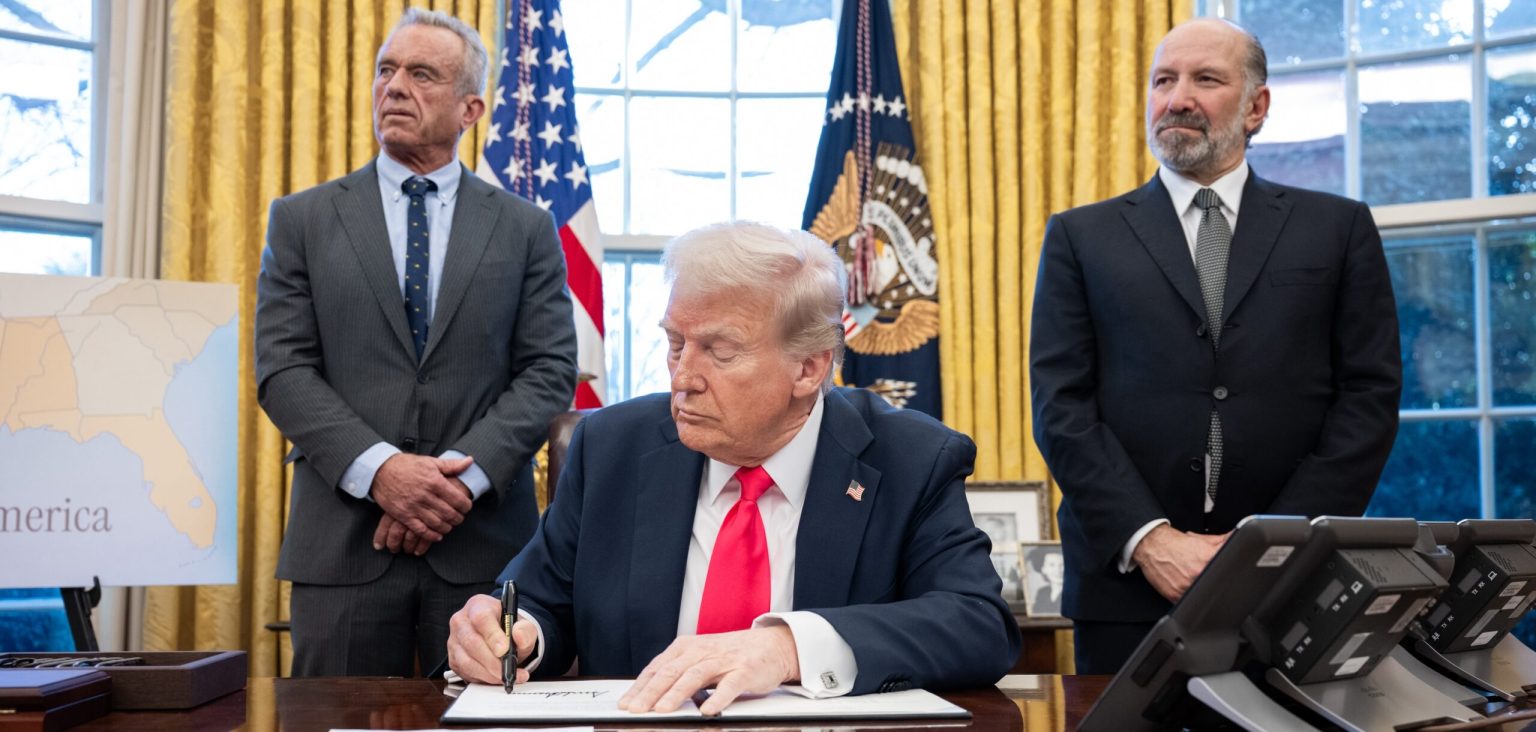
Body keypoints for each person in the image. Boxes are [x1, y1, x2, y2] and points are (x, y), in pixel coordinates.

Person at [445, 221, 1021, 714]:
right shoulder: (612, 448)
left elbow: (977, 625)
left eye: (719, 352)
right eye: (676, 343)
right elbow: (540, 603)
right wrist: (510, 634)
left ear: (808, 368)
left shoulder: (910, 459)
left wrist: (788, 647)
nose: (682, 378)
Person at [1029, 18, 1401, 674]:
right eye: (1163, 81)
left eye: (1205, 79)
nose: (1177, 99)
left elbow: (1367, 399)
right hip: (1127, 589)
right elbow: (1062, 407)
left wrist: (1276, 547)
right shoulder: (1080, 238)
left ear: (1256, 106)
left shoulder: (1337, 229)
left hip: (1296, 589)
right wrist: (1151, 541)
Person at [254, 8, 577, 676]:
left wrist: (456, 483)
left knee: (484, 718)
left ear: (470, 109)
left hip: (483, 548)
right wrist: (383, 473)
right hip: (343, 543)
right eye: (386, 70)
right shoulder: (301, 219)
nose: (395, 86)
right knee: (331, 722)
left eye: (422, 74)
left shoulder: (527, 229)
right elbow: (283, 369)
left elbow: (548, 371)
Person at [1027, 550, 1063, 617]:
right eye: (1052, 565)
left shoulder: (1075, 593)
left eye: (1062, 564)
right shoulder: (1042, 593)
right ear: (1043, 569)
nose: (1058, 570)